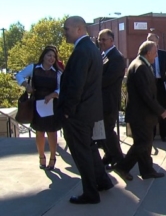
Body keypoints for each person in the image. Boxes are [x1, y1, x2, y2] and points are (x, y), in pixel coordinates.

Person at [58, 16, 113, 204]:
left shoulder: (82, 51)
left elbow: (76, 85)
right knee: (89, 148)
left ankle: (90, 193)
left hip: (78, 114)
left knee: (81, 152)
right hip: (89, 111)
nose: (64, 32)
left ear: (79, 29)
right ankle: (103, 181)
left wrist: (67, 110)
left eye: (66, 29)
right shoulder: (92, 49)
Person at [113, 41, 166, 180]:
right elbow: (146, 95)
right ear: (148, 53)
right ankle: (122, 166)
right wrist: (160, 110)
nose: (156, 56)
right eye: (155, 53)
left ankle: (147, 170)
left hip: (141, 114)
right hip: (141, 115)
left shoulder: (138, 64)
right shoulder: (141, 67)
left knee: (145, 144)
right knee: (142, 144)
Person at [16, 46, 62, 170]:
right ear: (43, 56)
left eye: (53, 56)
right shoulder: (34, 68)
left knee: (52, 132)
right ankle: (41, 157)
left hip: (52, 104)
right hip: (37, 103)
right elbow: (19, 75)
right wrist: (26, 85)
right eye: (49, 55)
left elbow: (62, 87)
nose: (51, 58)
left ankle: (52, 158)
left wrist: (53, 94)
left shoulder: (57, 72)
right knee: (40, 132)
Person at [97, 29, 126, 169]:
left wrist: (91, 82)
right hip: (100, 100)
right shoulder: (103, 55)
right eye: (100, 40)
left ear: (112, 40)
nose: (101, 42)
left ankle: (119, 159)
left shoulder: (117, 57)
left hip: (109, 100)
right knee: (101, 131)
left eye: (104, 39)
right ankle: (109, 155)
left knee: (107, 130)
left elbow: (107, 79)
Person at [147, 33, 166, 142]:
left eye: (153, 40)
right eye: (149, 40)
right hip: (149, 83)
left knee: (163, 109)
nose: (151, 42)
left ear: (157, 42)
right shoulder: (145, 54)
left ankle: (164, 134)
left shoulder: (163, 54)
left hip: (160, 83)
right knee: (150, 109)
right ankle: (151, 135)